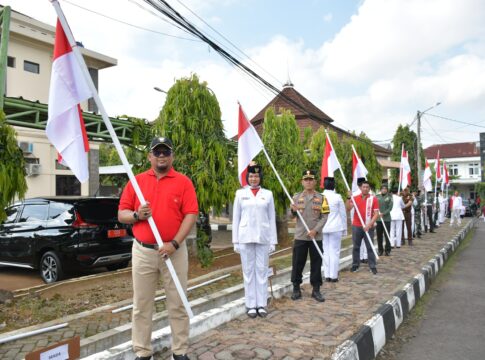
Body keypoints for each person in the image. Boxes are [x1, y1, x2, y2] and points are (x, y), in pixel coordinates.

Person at [118, 137, 198, 360]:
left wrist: (174, 243)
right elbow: (121, 213)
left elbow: (191, 214)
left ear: (172, 156)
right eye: (157, 152)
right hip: (143, 251)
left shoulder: (183, 182)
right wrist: (136, 215)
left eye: (166, 152)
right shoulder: (137, 182)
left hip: (174, 252)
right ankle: (143, 352)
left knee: (178, 302)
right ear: (149, 157)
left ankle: (179, 350)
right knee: (142, 305)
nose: (162, 156)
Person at [232, 163, 277, 318]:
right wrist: (235, 241)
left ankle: (261, 304)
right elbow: (236, 218)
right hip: (245, 237)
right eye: (251, 176)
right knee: (248, 272)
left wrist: (273, 241)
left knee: (262, 271)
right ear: (247, 177)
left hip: (263, 236)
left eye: (256, 176)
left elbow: (272, 218)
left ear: (260, 177)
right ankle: (251, 305)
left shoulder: (268, 194)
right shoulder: (240, 194)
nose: (254, 179)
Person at [290, 170, 328, 302]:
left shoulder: (322, 198)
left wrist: (315, 230)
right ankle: (296, 288)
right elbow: (291, 216)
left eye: (311, 179)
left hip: (316, 237)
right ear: (302, 182)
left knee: (316, 263)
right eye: (306, 180)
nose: (308, 182)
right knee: (297, 263)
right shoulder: (296, 197)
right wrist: (292, 211)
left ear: (315, 182)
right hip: (300, 236)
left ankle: (316, 289)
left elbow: (325, 217)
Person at [346, 180, 379, 274]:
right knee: (356, 247)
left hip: (369, 226)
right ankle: (355, 265)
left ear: (369, 189)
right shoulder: (355, 198)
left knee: (370, 247)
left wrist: (369, 224)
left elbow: (376, 214)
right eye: (363, 187)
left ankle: (372, 266)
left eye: (367, 187)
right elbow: (348, 208)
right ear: (360, 188)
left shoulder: (373, 199)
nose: (365, 188)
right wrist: (348, 197)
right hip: (357, 225)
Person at [322, 177, 347, 282]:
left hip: (323, 227)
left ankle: (327, 275)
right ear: (334, 186)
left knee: (325, 252)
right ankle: (334, 276)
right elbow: (343, 214)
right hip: (336, 227)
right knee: (335, 252)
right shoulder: (338, 197)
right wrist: (344, 229)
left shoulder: (320, 196)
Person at [376, 184, 392, 256]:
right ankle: (380, 250)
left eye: (385, 189)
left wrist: (384, 213)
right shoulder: (377, 197)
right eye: (382, 189)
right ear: (380, 190)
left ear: (387, 190)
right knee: (379, 235)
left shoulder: (389, 197)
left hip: (386, 219)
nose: (384, 190)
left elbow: (390, 208)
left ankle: (387, 250)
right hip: (378, 219)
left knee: (387, 235)